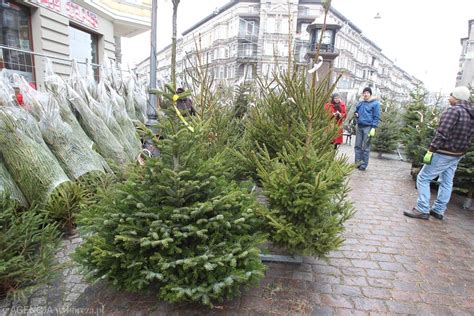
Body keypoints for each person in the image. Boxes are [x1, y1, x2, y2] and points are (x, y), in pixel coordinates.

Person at [404, 86, 473, 220]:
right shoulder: (471, 114)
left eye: (451, 95)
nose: (449, 98)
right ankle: (438, 210)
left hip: (443, 152)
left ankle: (422, 208)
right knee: (447, 181)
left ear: (457, 97)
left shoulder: (453, 111)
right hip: (458, 154)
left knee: (423, 177)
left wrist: (431, 150)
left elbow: (441, 133)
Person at [354, 87, 381, 171]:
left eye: (367, 93)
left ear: (370, 94)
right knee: (357, 146)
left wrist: (373, 128)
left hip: (368, 127)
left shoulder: (375, 104)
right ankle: (357, 162)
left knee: (365, 147)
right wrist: (356, 114)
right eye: (364, 93)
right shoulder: (361, 103)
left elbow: (376, 116)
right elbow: (356, 111)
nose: (365, 94)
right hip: (360, 126)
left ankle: (363, 164)